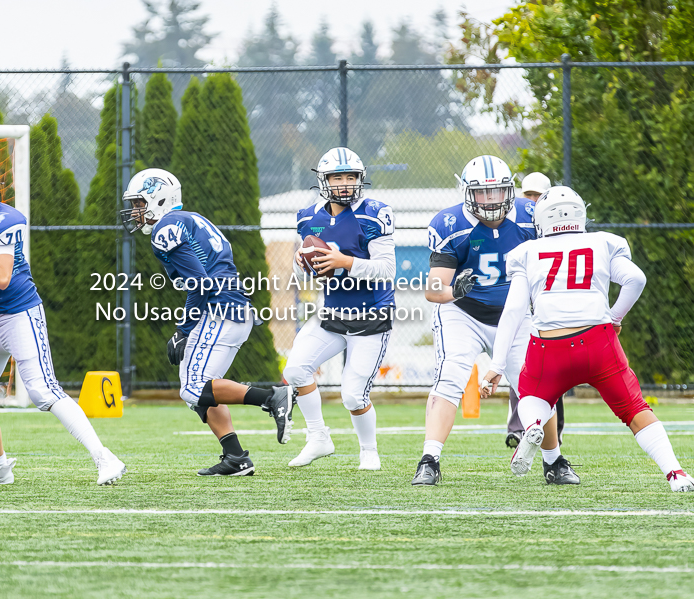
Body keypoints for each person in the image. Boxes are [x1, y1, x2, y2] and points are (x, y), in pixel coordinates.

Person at [0, 154, 126, 486]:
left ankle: (104, 457)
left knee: (43, 391)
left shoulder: (5, 219)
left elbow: (2, 276)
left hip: (18, 314)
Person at [482, 186, 693, 491]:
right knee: (634, 409)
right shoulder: (602, 242)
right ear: (580, 214)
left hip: (548, 346)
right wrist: (615, 317)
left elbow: (514, 309)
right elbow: (636, 279)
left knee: (532, 395)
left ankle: (532, 426)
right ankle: (675, 473)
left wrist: (496, 365)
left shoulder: (527, 252)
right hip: (597, 341)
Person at [412, 155, 574, 486]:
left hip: (515, 316)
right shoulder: (450, 224)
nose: (491, 200)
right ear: (467, 193)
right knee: (449, 379)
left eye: (498, 192)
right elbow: (432, 289)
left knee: (539, 386)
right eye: (483, 194)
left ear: (510, 190)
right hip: (463, 312)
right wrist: (454, 290)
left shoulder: (532, 218)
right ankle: (429, 459)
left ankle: (554, 461)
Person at [122, 168, 296, 476]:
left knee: (192, 387)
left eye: (139, 203)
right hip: (232, 309)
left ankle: (271, 396)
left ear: (159, 198)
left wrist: (182, 331)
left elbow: (200, 285)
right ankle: (235, 457)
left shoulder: (166, 228)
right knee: (199, 389)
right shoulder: (190, 219)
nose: (135, 212)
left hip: (220, 310)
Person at [284, 147, 395, 471]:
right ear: (324, 181)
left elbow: (387, 269)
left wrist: (346, 262)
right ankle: (319, 437)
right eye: (337, 177)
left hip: (370, 317)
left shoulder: (374, 213)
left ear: (360, 180)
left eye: (351, 177)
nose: (345, 184)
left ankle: (368, 451)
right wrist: (302, 265)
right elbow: (303, 270)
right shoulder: (308, 216)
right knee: (295, 370)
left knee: (352, 395)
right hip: (331, 315)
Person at [504, 172, 565, 449]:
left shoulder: (553, 227)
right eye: (528, 195)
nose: (531, 201)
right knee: (520, 369)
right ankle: (518, 428)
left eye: (537, 196)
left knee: (552, 370)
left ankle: (555, 433)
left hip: (544, 304)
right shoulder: (513, 223)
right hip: (520, 301)